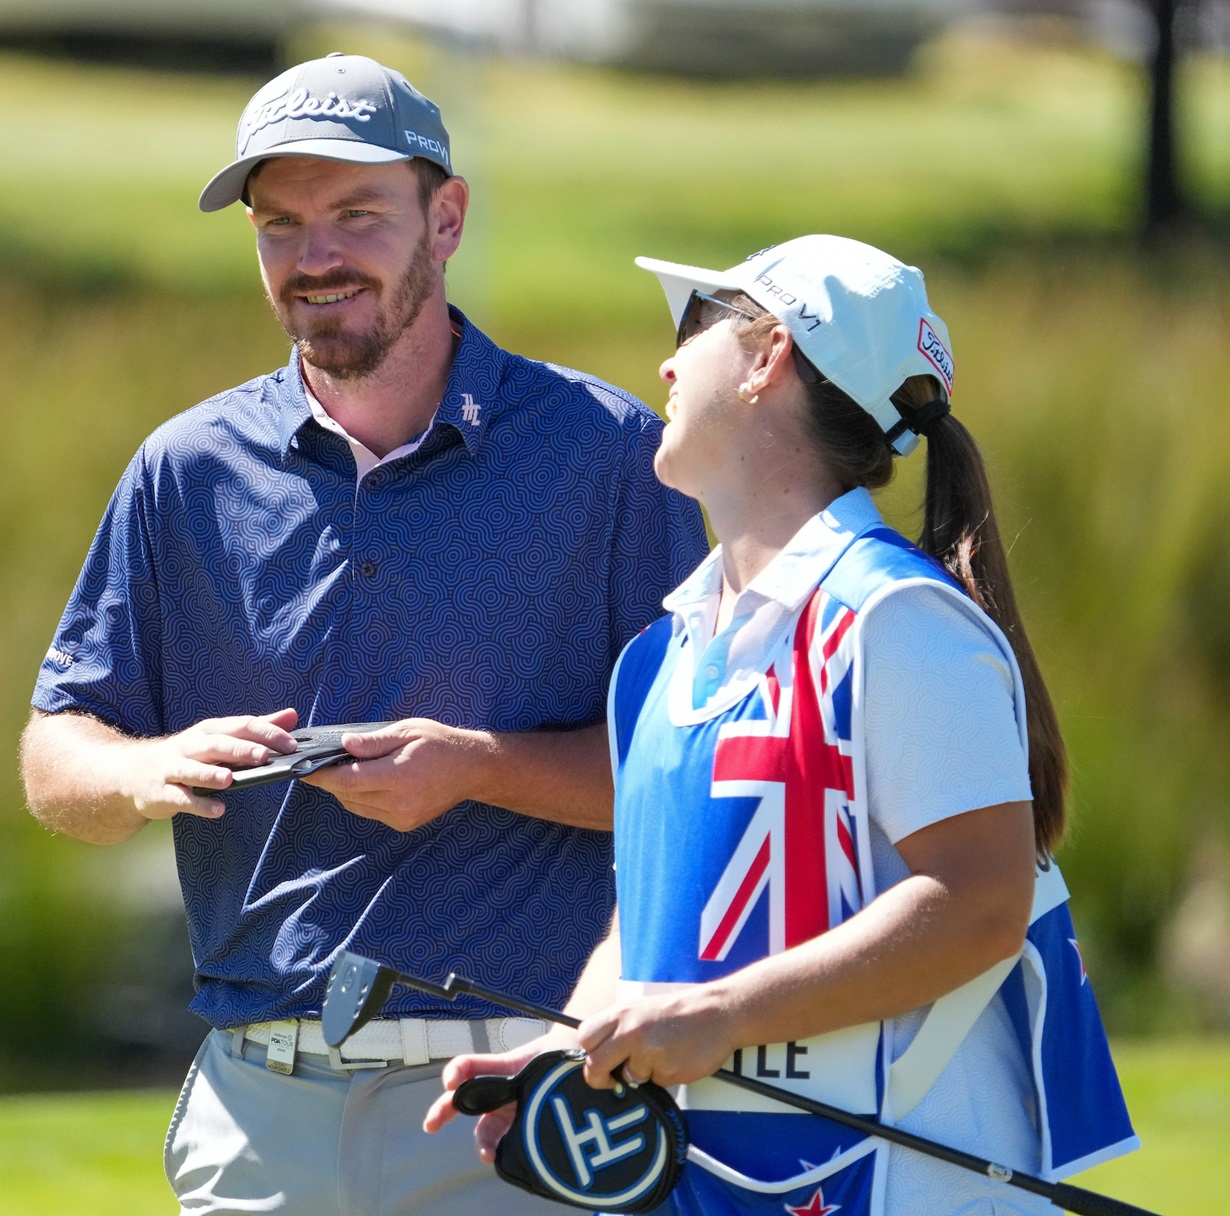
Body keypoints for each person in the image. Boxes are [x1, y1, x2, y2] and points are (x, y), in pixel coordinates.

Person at [19, 53, 707, 1216]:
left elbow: (691, 782)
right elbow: (54, 755)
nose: (315, 257)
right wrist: (146, 767)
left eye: (355, 215)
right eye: (279, 225)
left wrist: (478, 769)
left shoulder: (609, 455)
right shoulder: (186, 471)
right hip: (262, 1112)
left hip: (517, 1099)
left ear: (445, 218)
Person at [427, 236, 1137, 1215]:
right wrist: (568, 1043)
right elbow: (647, 931)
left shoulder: (896, 619)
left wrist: (723, 1015)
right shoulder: (659, 659)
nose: (667, 365)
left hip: (900, 1187)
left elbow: (979, 899)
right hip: (708, 1182)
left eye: (693, 331)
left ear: (770, 356)